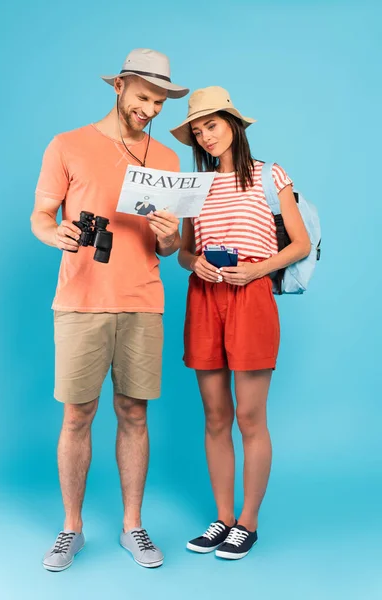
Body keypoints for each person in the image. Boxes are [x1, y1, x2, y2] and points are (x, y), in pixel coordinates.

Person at [31, 48, 188, 572]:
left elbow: (168, 248)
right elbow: (40, 215)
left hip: (143, 302)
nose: (153, 109)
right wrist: (57, 234)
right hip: (79, 302)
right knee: (77, 415)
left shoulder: (167, 158)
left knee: (134, 413)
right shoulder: (68, 145)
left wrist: (170, 237)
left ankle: (132, 526)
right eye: (144, 97)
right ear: (119, 86)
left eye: (161, 101)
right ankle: (70, 528)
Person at [171, 86, 310, 560]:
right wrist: (195, 264)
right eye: (197, 130)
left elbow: (300, 243)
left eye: (211, 124)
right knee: (215, 416)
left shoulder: (270, 174)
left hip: (250, 295)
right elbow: (184, 253)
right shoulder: (196, 185)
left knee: (250, 417)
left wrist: (257, 269)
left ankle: (247, 523)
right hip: (205, 297)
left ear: (232, 123)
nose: (205, 136)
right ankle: (222, 519)